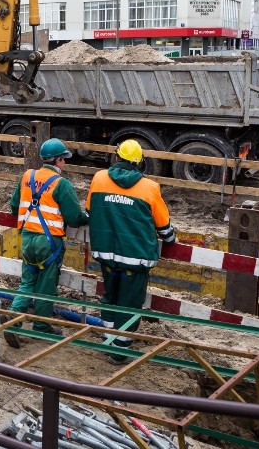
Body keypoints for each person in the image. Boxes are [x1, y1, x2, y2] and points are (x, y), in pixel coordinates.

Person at [85, 139, 176, 364]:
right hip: (136, 259)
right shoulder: (149, 187)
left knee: (110, 298)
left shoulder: (99, 179)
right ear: (140, 163)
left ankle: (109, 340)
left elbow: (89, 211)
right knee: (130, 304)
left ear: (116, 158)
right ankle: (120, 351)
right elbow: (163, 226)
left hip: (106, 255)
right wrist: (170, 238)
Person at [4, 138, 89, 347]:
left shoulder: (27, 176)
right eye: (64, 160)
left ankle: (13, 322)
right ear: (59, 160)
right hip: (49, 242)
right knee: (46, 287)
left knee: (27, 282)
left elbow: (15, 206)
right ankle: (41, 327)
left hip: (27, 239)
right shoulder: (62, 184)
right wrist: (88, 216)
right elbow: (74, 218)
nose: (65, 164)